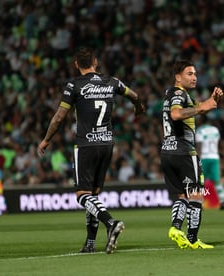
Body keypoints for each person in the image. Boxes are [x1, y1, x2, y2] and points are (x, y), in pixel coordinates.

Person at [38, 47, 145, 254]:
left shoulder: (74, 85)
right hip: (107, 144)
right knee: (93, 196)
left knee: (82, 195)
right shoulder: (112, 82)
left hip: (86, 145)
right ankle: (90, 243)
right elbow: (134, 95)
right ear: (95, 62)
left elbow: (59, 117)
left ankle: (110, 222)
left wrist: (46, 139)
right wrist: (138, 106)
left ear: (76, 64)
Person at [161, 59, 223, 249]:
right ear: (177, 77)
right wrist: (201, 108)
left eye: (195, 73)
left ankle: (176, 228)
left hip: (167, 151)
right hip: (184, 151)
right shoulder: (179, 93)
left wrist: (212, 101)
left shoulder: (176, 94)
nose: (194, 77)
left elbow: (199, 109)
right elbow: (177, 114)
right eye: (190, 74)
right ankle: (193, 240)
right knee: (196, 195)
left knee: (181, 196)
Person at [196, 115, 224, 209]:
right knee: (216, 181)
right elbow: (218, 143)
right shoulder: (215, 130)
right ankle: (222, 201)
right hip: (214, 156)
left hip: (205, 157)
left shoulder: (200, 131)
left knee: (200, 181)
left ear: (201, 121)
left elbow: (199, 146)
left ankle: (199, 202)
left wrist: (197, 160)